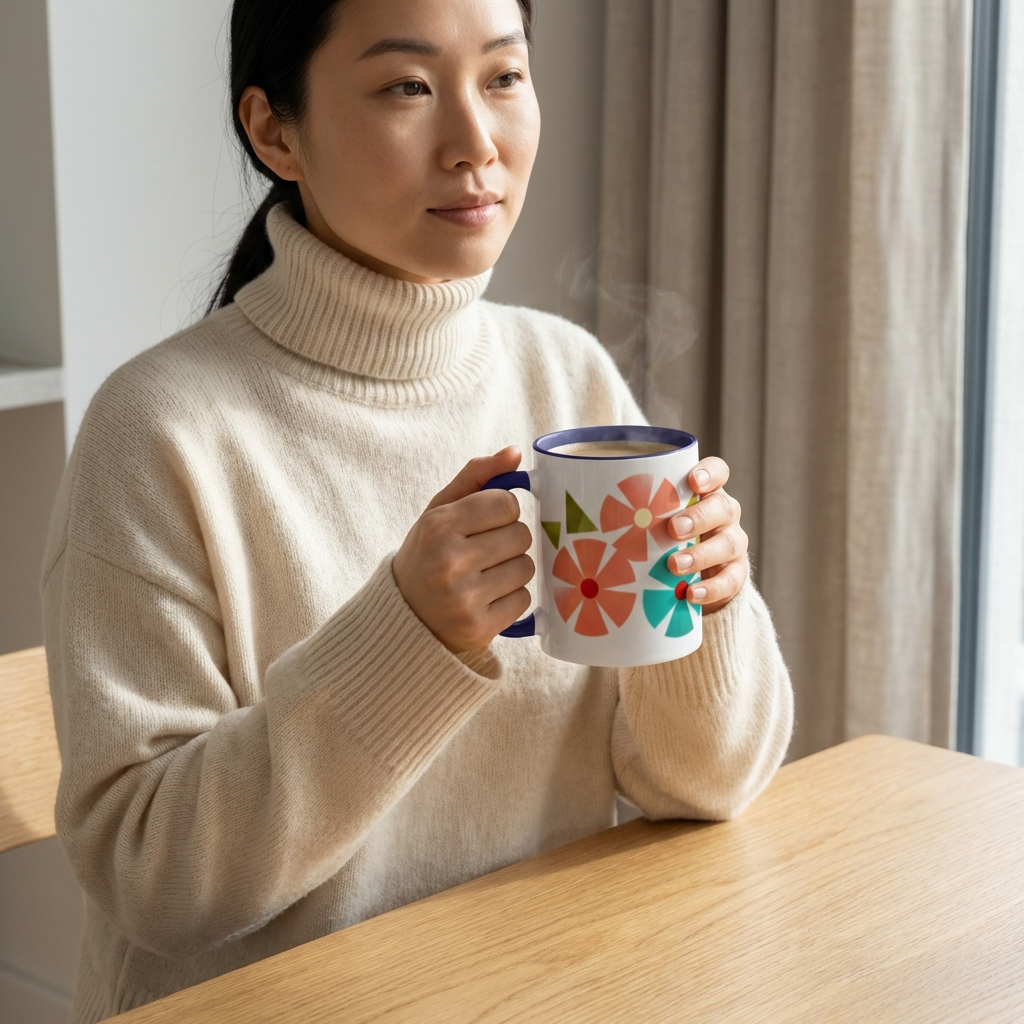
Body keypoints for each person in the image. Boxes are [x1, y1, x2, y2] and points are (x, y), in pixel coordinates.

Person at [41, 1, 793, 1020]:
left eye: (503, 77)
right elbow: (152, 878)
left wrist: (702, 610)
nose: (475, 144)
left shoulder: (562, 372)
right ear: (274, 132)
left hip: (547, 988)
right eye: (407, 86)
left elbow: (702, 787)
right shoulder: (160, 432)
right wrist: (404, 637)